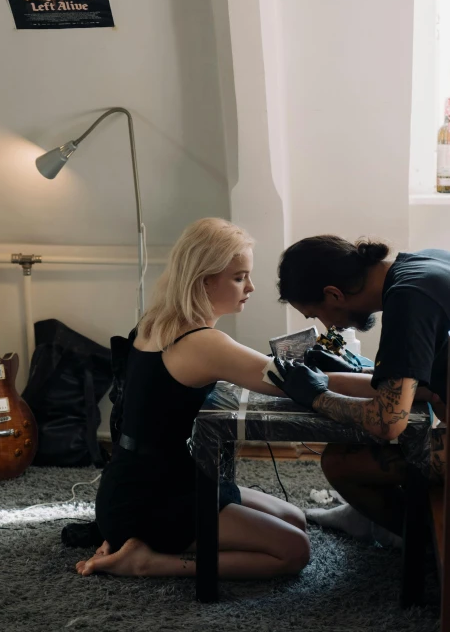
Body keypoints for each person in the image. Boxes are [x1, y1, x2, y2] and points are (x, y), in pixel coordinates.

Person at [75, 217, 314, 580]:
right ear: (205, 280)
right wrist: (370, 382)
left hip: (144, 483)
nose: (250, 286)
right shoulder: (201, 342)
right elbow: (291, 382)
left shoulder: (157, 320)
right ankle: (147, 562)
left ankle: (136, 537)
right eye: (239, 277)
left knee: (296, 519)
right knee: (294, 551)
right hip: (152, 499)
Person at [267, 235, 449, 543]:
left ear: (334, 294)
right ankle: (368, 516)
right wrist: (336, 376)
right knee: (349, 451)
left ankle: (426, 550)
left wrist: (316, 397)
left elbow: (388, 420)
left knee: (340, 462)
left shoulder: (407, 299)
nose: (329, 328)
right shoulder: (423, 265)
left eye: (317, 315)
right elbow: (416, 387)